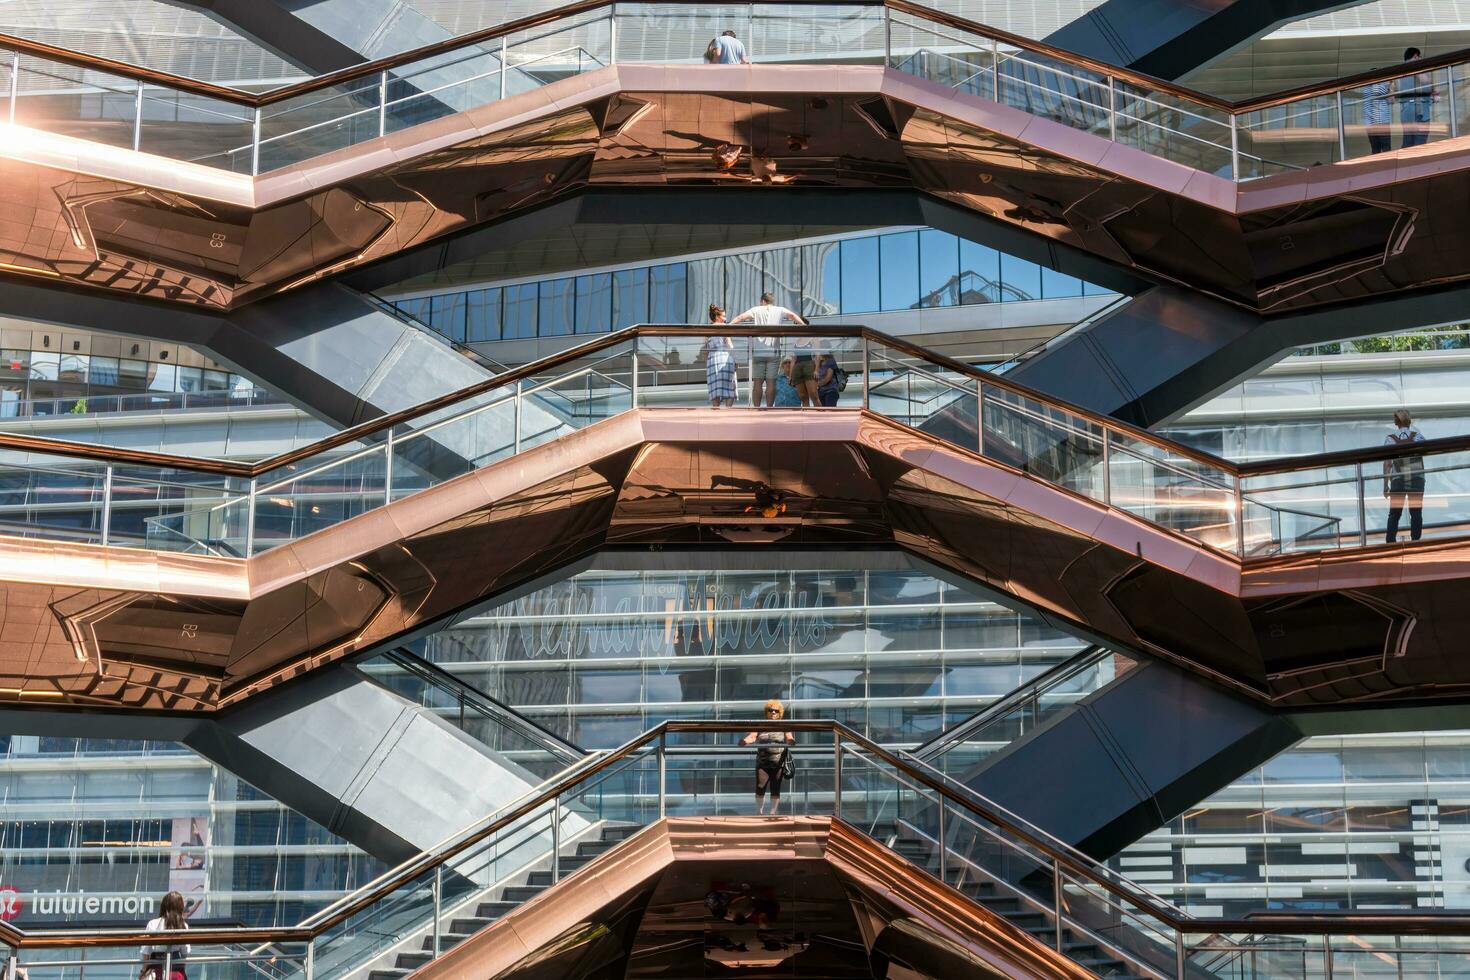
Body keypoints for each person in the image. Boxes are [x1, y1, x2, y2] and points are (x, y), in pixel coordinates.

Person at [731, 293, 808, 408]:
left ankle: (756, 408)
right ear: (772, 301)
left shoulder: (756, 309)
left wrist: (728, 326)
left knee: (758, 382)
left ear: (762, 301)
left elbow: (740, 318)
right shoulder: (779, 310)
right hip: (773, 352)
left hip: (758, 351)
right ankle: (769, 407)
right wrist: (804, 326)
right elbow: (792, 315)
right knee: (771, 382)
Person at [742, 699, 794, 815]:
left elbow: (789, 736)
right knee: (760, 787)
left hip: (778, 762)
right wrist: (745, 741)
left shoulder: (783, 725)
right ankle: (759, 812)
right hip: (763, 763)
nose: (773, 713)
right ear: (767, 712)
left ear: (780, 712)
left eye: (776, 711)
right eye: (771, 710)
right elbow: (752, 736)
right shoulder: (760, 725)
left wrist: (791, 741)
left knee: (775, 788)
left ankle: (772, 813)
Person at [1384, 409, 1426, 543]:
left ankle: (1390, 542)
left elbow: (1387, 464)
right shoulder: (1418, 436)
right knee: (1416, 512)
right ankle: (1415, 541)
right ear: (1409, 421)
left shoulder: (1390, 439)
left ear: (1396, 422)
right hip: (1416, 478)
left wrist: (1385, 485)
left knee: (1395, 513)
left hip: (1398, 479)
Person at [140, 891, 190, 980]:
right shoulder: (183, 926)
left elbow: (146, 952)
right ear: (180, 907)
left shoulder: (153, 924)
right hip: (176, 972)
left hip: (156, 970)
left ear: (164, 906)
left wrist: (143, 972)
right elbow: (185, 952)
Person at [1398, 48, 1436, 149]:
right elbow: (1425, 81)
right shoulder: (1415, 65)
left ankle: (1405, 163)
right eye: (1420, 57)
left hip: (1405, 111)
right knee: (1420, 144)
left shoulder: (1399, 70)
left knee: (1407, 143)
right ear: (1415, 56)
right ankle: (1417, 163)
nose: (1421, 59)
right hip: (1419, 111)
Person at [700, 305, 737, 408]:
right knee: (730, 387)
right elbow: (729, 344)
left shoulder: (707, 330)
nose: (725, 319)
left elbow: (706, 349)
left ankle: (716, 411)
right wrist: (735, 359)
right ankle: (728, 412)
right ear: (717, 317)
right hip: (725, 357)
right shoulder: (725, 327)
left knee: (714, 388)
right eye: (724, 316)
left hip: (712, 360)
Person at [1364, 77, 1393, 154]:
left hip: (1375, 124)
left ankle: (1380, 165)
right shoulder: (1376, 87)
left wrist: (1389, 86)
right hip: (1378, 123)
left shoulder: (1367, 88)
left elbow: (1391, 100)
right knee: (1383, 149)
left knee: (1378, 149)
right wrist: (1389, 84)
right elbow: (1377, 91)